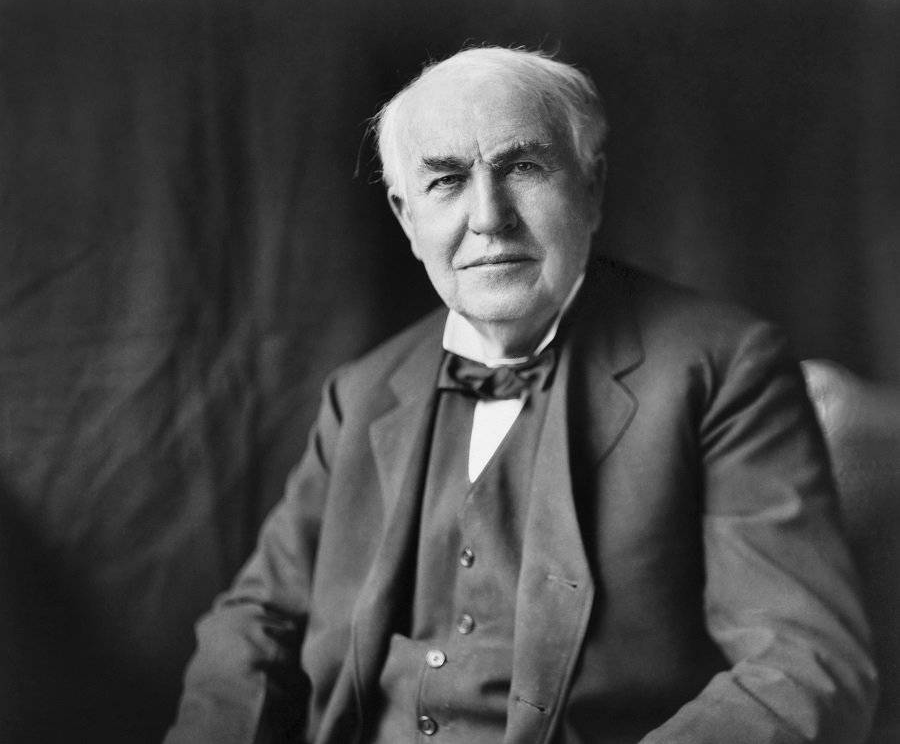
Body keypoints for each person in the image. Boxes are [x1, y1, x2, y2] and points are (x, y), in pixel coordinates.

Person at [165, 46, 878, 744]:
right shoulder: (361, 394)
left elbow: (805, 662)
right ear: (407, 218)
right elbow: (256, 621)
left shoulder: (724, 368)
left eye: (524, 168)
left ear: (591, 188)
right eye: (447, 181)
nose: (489, 216)